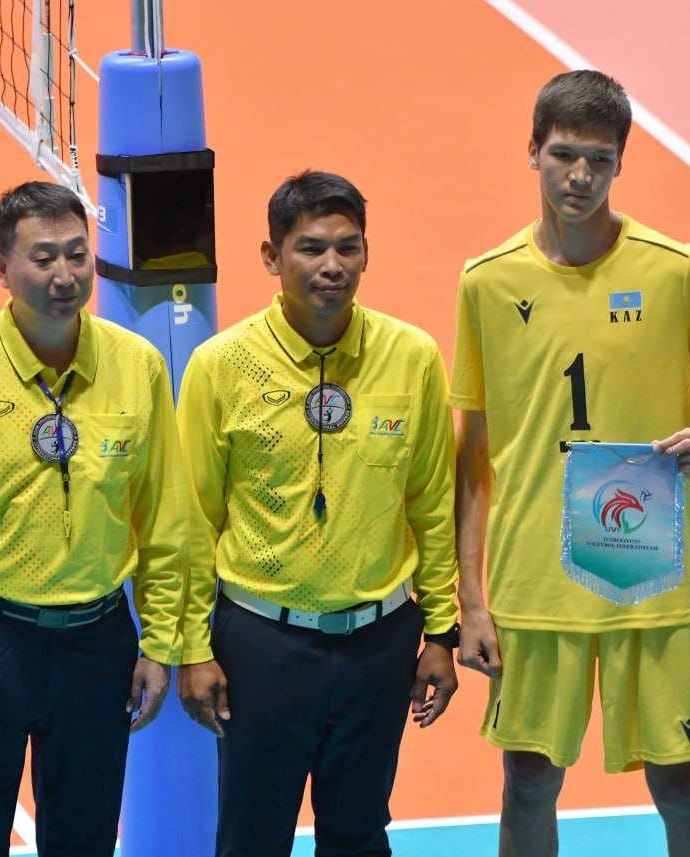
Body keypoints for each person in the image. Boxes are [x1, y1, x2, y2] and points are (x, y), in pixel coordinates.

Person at [450, 70, 690, 857]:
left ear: (621, 162)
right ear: (533, 152)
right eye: (563, 155)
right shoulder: (487, 281)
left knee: (683, 784)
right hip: (534, 579)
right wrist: (471, 599)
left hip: (651, 569)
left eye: (600, 160)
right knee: (527, 781)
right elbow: (473, 455)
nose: (580, 176)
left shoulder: (673, 268)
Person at [0, 181, 186, 857]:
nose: (65, 275)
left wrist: (159, 642)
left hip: (98, 640)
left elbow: (164, 520)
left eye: (78, 255)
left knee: (85, 838)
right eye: (44, 257)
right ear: (2, 268)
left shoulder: (137, 366)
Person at [176, 170, 461, 857]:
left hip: (380, 643)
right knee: (252, 839)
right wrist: (191, 646)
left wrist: (442, 632)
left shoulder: (413, 357)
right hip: (261, 644)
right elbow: (191, 520)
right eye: (310, 248)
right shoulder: (221, 365)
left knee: (359, 836)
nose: (332, 265)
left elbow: (431, 503)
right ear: (271, 257)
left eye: (347, 247)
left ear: (366, 252)